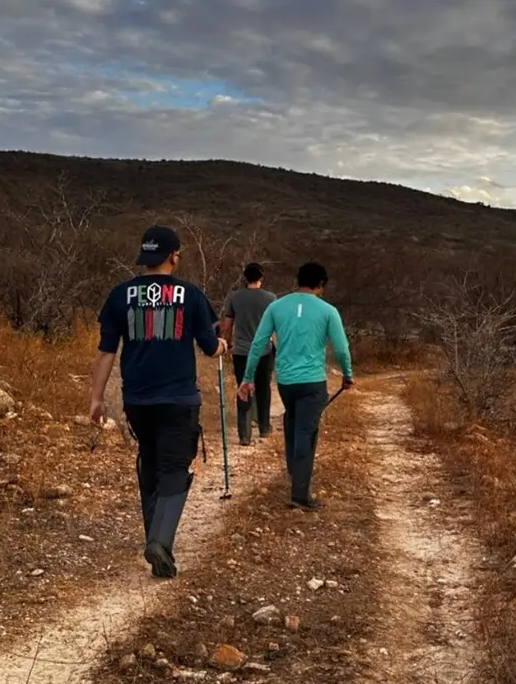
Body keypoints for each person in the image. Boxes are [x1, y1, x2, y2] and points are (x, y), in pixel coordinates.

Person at [88, 225, 227, 578]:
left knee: (149, 462)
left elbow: (106, 352)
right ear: (172, 256)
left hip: (138, 399)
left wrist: (96, 399)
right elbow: (210, 347)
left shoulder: (121, 295)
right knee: (174, 468)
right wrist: (223, 346)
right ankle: (160, 542)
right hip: (179, 398)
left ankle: (155, 539)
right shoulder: (191, 294)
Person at [238, 261, 353, 511]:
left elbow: (259, 343)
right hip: (312, 382)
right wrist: (347, 374)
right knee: (305, 432)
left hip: (286, 381)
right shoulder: (328, 310)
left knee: (292, 421)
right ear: (321, 284)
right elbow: (342, 349)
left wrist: (247, 377)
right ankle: (300, 493)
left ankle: (294, 472)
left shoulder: (276, 306)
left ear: (298, 280)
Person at [220, 263, 278, 446]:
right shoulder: (271, 298)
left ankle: (244, 434)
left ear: (245, 277)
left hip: (242, 351)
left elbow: (227, 325)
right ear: (262, 277)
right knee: (263, 387)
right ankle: (264, 427)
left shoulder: (235, 297)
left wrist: (227, 343)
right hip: (264, 351)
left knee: (243, 388)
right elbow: (277, 326)